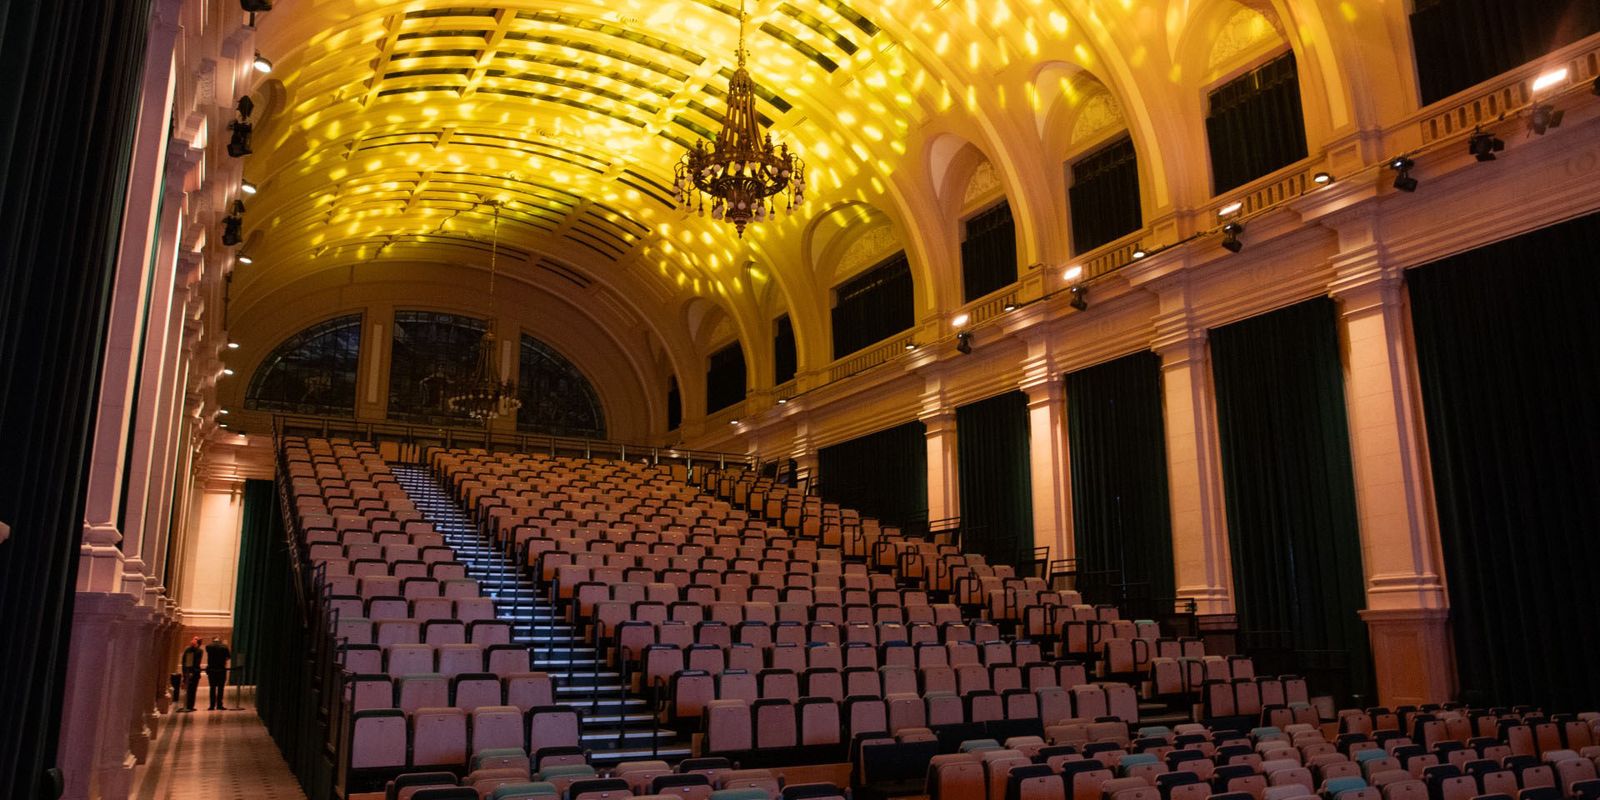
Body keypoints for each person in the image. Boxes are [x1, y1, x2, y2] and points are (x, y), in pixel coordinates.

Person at [205, 637, 232, 710]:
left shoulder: (208, 647)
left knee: (212, 688)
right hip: (221, 670)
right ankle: (219, 705)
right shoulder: (224, 647)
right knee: (221, 688)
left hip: (212, 670)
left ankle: (212, 705)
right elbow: (229, 657)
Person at [179, 638, 203, 712]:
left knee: (193, 690)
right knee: (187, 690)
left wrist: (192, 672)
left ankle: (190, 705)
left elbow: (196, 662)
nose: (192, 640)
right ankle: (186, 705)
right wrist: (185, 673)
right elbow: (184, 661)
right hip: (187, 671)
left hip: (194, 672)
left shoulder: (199, 651)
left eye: (195, 639)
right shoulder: (188, 649)